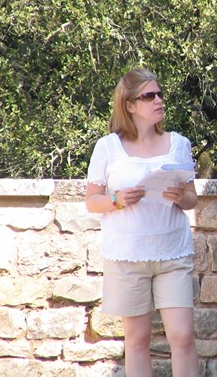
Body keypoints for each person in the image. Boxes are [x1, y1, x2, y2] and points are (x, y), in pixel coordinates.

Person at [85, 68, 199, 377]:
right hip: (126, 255)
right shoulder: (107, 147)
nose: (158, 100)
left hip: (172, 252)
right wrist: (117, 201)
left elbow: (192, 199)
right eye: (149, 96)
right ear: (130, 104)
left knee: (183, 337)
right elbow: (92, 201)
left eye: (160, 94)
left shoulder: (179, 143)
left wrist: (179, 196)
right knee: (136, 340)